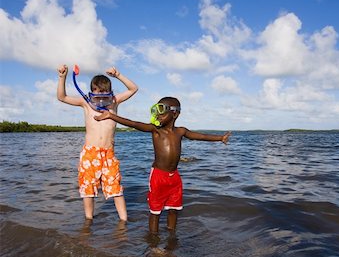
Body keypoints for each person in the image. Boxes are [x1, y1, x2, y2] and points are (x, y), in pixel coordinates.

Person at [94, 97, 231, 234]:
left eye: (162, 111)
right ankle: (153, 240)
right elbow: (134, 124)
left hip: (174, 178)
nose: (158, 115)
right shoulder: (155, 130)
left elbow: (199, 136)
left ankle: (172, 237)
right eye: (156, 111)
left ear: (175, 114)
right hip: (158, 176)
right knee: (155, 211)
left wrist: (220, 138)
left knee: (174, 209)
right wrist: (111, 116)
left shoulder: (180, 131)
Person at [57, 64, 138, 221]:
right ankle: (89, 220)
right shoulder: (86, 103)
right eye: (97, 92)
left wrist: (118, 75)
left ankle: (124, 221)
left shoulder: (114, 102)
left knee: (116, 189)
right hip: (90, 154)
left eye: (104, 93)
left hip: (109, 155)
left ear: (110, 92)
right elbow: (62, 97)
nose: (100, 97)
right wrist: (62, 77)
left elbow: (133, 89)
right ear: (91, 91)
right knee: (88, 190)